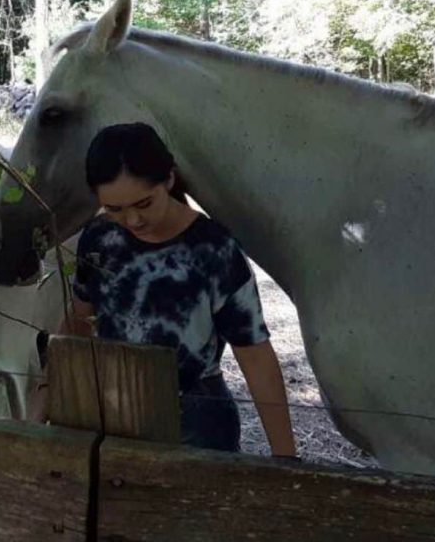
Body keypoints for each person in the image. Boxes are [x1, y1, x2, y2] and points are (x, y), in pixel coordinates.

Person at [39, 122, 297, 457]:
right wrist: (42, 402)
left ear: (169, 180)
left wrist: (285, 457)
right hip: (112, 414)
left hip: (198, 425)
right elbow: (77, 325)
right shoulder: (99, 239)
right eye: (115, 209)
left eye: (144, 204)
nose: (132, 220)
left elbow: (255, 355)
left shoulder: (213, 250)